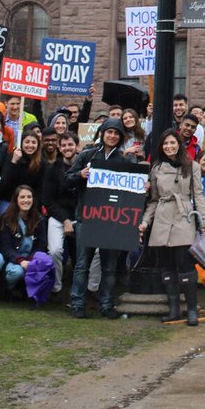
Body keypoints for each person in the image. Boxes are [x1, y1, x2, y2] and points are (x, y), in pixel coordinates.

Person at [66, 117, 137, 319]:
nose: (112, 136)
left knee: (109, 267)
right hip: (87, 218)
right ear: (102, 133)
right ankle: (78, 304)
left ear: (121, 137)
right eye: (109, 132)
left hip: (112, 221)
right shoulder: (86, 156)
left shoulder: (124, 161)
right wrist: (80, 175)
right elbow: (67, 180)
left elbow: (130, 193)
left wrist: (141, 187)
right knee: (82, 264)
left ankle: (106, 305)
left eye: (116, 133)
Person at [140, 129, 205, 325]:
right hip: (162, 217)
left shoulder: (192, 166)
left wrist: (204, 222)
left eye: (172, 143)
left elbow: (198, 196)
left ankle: (192, 309)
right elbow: (153, 200)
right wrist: (145, 222)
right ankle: (174, 309)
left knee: (185, 263)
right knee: (167, 265)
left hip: (183, 215)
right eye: (165, 144)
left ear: (179, 143)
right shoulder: (157, 168)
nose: (169, 147)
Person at [42, 133, 79, 294]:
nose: (67, 148)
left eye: (70, 145)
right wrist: (64, 220)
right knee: (55, 250)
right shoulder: (53, 169)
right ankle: (56, 287)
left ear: (77, 146)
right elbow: (48, 200)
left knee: (85, 253)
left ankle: (82, 289)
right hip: (58, 216)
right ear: (59, 147)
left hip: (80, 216)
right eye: (63, 145)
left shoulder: (85, 167)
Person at [0, 185, 51, 299]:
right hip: (13, 260)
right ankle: (7, 289)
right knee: (16, 272)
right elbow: (5, 248)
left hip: (31, 259)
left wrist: (31, 260)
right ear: (16, 200)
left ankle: (31, 291)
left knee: (46, 264)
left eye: (29, 197)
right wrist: (21, 261)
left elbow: (41, 244)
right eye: (22, 197)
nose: (26, 200)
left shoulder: (39, 219)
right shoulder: (6, 219)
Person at [2, 130, 46, 212]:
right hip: (10, 200)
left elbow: (41, 189)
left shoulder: (41, 163)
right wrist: (13, 162)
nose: (30, 145)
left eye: (33, 142)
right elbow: (5, 185)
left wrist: (32, 205)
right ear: (21, 143)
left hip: (30, 202)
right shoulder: (12, 157)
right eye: (27, 142)